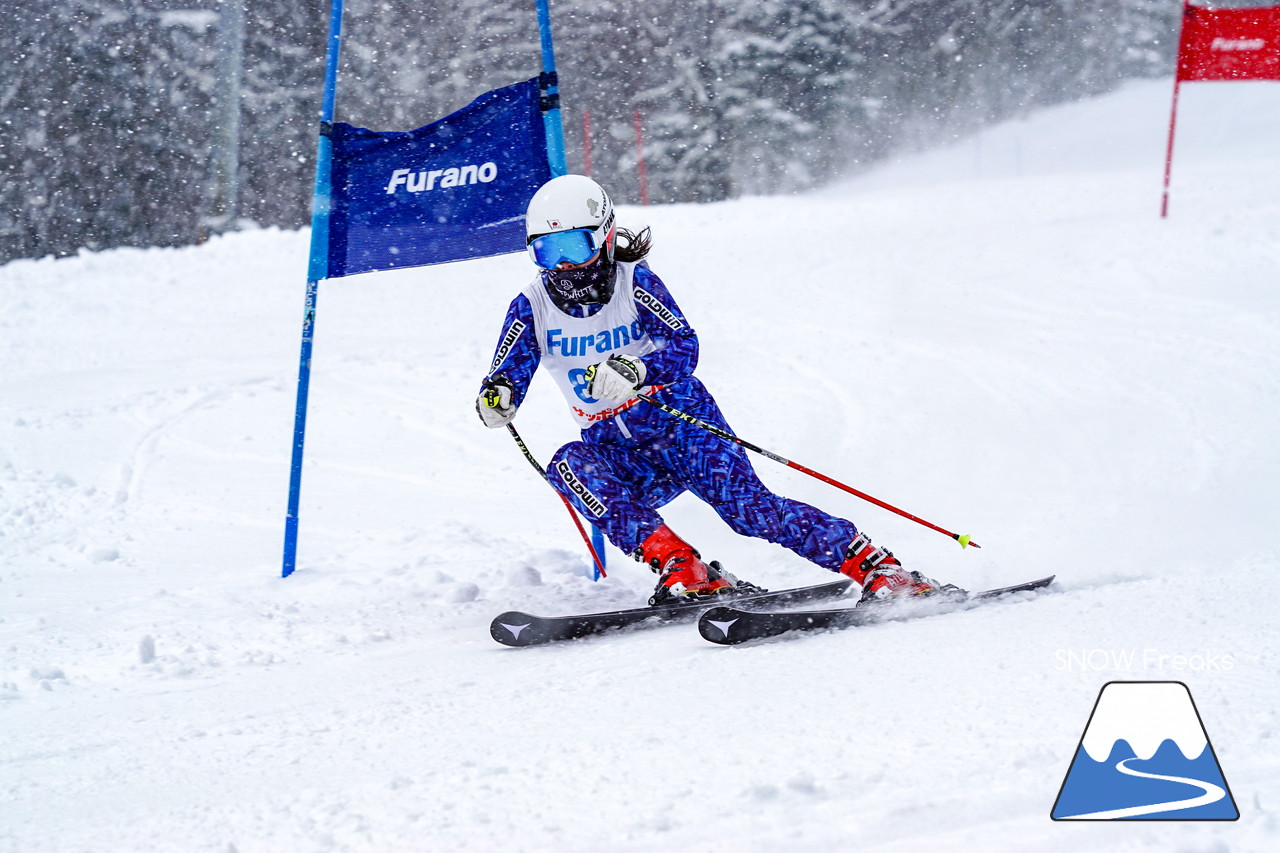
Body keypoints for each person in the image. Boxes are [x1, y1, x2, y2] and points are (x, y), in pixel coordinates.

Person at [477, 174, 952, 605]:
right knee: (569, 466)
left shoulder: (634, 284)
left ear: (603, 237)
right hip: (620, 451)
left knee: (751, 514)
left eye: (574, 248)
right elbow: (505, 377)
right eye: (547, 251)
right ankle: (683, 567)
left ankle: (877, 566)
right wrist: (497, 400)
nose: (563, 266)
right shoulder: (532, 307)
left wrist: (638, 370)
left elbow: (686, 346)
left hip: (686, 430)